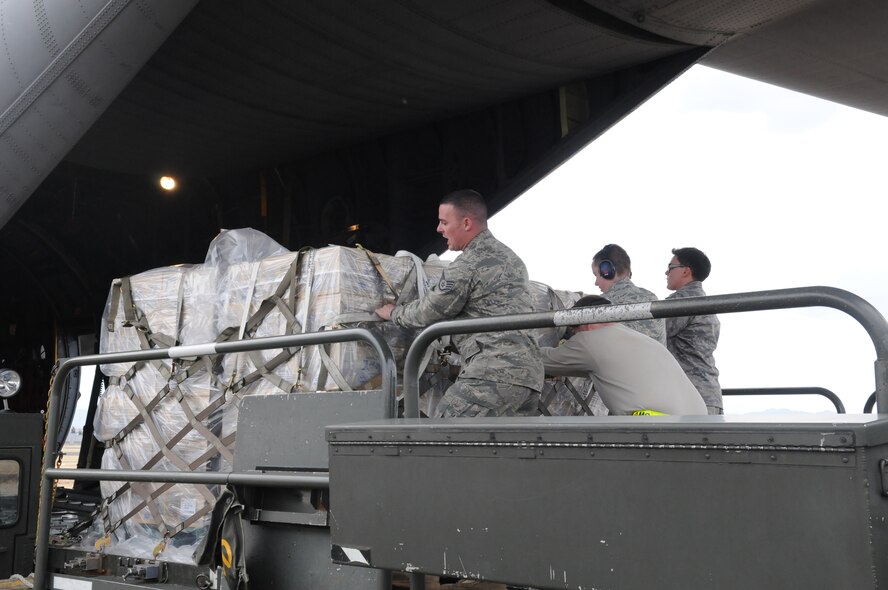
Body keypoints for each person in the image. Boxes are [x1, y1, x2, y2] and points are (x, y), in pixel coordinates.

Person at [375, 189, 544, 417]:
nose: (439, 229)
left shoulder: (468, 264)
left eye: (444, 222)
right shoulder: (512, 259)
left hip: (493, 375)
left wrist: (394, 313)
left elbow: (428, 311)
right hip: (529, 378)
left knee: (446, 436)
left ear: (466, 223)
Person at [540, 295, 706, 415]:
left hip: (657, 426)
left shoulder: (590, 341)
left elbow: (542, 360)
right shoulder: (639, 339)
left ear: (585, 322)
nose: (573, 336)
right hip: (701, 422)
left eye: (573, 330)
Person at [664, 247, 723, 414]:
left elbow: (652, 334)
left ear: (685, 271)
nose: (666, 272)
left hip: (690, 399)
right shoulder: (705, 302)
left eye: (671, 267)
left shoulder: (683, 302)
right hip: (709, 395)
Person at [591, 243, 665, 344]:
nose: (596, 283)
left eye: (596, 275)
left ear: (606, 271)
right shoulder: (652, 297)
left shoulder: (601, 305)